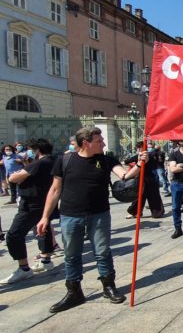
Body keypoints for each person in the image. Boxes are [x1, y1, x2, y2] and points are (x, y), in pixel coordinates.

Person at [36, 127, 148, 313]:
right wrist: (45, 217)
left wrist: (139, 164)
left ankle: (108, 287)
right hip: (70, 215)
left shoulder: (106, 160)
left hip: (99, 214)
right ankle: (74, 292)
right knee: (71, 255)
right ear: (85, 143)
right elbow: (55, 190)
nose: (103, 143)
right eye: (99, 141)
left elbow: (124, 176)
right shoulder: (65, 161)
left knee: (102, 252)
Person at [0, 139, 56, 284]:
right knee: (43, 229)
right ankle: (46, 260)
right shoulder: (54, 161)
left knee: (13, 234)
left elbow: (13, 177)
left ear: (37, 150)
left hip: (31, 203)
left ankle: (23, 268)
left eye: (30, 149)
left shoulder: (38, 163)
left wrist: (21, 170)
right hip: (45, 200)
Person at [124, 141, 165, 219]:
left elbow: (158, 158)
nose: (139, 149)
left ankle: (157, 212)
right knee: (139, 196)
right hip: (141, 179)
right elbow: (127, 161)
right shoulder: (138, 156)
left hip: (152, 179)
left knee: (154, 196)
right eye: (138, 147)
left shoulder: (152, 154)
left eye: (140, 147)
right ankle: (135, 212)